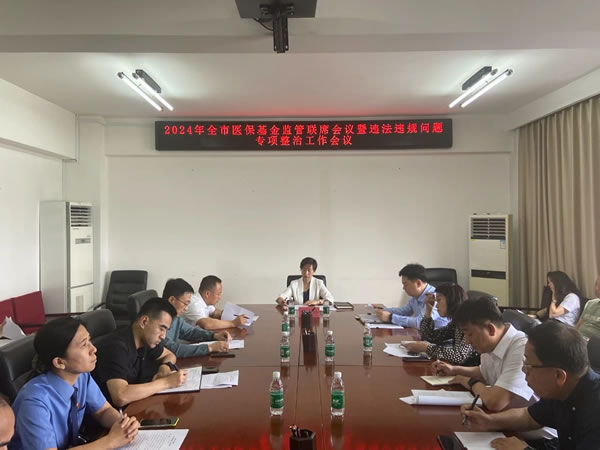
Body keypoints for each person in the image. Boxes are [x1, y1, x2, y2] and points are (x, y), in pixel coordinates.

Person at [462, 320, 600, 450]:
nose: (524, 370)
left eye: (529, 366)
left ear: (559, 375)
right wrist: (489, 421)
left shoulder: (594, 409)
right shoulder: (563, 390)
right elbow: (528, 417)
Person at [10, 317, 139, 450]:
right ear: (60, 362)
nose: (93, 349)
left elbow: (103, 411)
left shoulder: (81, 376)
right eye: (84, 345)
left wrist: (123, 425)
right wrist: (111, 441)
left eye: (89, 340)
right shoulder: (34, 402)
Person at [434, 298, 533, 412]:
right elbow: (485, 373)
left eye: (470, 334)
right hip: (503, 417)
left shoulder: (522, 349)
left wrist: (470, 382)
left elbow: (494, 402)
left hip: (527, 422)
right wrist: (454, 370)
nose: (467, 341)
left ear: (490, 329)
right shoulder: (491, 343)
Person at [92, 298, 187, 408]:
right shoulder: (116, 347)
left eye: (166, 330)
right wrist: (166, 382)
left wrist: (164, 368)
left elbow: (170, 355)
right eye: (161, 328)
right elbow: (120, 396)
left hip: (136, 406)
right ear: (144, 322)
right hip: (116, 414)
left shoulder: (145, 340)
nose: (163, 336)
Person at [404, 283, 477, 365]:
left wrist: (426, 348)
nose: (436, 305)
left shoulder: (467, 322)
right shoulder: (455, 322)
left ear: (451, 300)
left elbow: (459, 356)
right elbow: (430, 336)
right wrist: (428, 310)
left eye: (439, 300)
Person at [162, 278, 230, 357]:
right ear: (172, 300)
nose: (186, 308)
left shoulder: (175, 318)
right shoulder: (159, 321)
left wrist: (213, 335)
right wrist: (210, 348)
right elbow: (173, 349)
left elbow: (191, 332)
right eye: (185, 303)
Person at [374, 263, 449, 329]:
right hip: (425, 335)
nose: (403, 288)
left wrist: (390, 317)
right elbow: (405, 311)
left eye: (405, 284)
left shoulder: (434, 297)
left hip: (439, 338)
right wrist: (383, 310)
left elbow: (420, 323)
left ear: (418, 283)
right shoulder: (416, 296)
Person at [182, 275, 249, 330]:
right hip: (187, 341)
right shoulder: (194, 303)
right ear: (207, 294)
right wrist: (233, 323)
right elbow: (206, 324)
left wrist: (233, 315)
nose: (220, 297)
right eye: (218, 294)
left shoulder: (205, 300)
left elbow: (215, 312)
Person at [575, 274, 600, 340]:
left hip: (593, 343)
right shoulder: (590, 303)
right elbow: (578, 325)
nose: (596, 288)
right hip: (578, 340)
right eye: (596, 284)